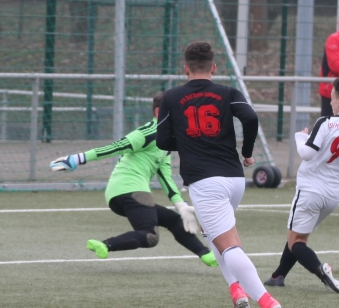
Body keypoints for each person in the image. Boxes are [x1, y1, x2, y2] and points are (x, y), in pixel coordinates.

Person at [156, 41, 282, 308]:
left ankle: (266, 301)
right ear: (213, 67)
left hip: (205, 182)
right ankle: (236, 291)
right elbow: (250, 117)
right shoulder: (228, 93)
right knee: (214, 235)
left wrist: (188, 142)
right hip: (234, 179)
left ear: (185, 68)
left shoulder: (171, 97)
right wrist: (247, 151)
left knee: (229, 246)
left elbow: (162, 141)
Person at [50, 92, 216, 267]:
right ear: (159, 112)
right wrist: (76, 159)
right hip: (131, 190)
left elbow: (165, 177)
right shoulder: (150, 132)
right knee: (149, 235)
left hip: (124, 192)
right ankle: (105, 245)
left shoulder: (167, 141)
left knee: (174, 220)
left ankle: (206, 255)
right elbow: (117, 146)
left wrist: (180, 204)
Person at [265, 78, 339, 292]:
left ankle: (321, 270)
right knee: (298, 235)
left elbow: (307, 153)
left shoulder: (325, 122)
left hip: (311, 189)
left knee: (295, 242)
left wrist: (300, 137)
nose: (330, 103)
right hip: (333, 196)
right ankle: (278, 276)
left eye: (331, 99)